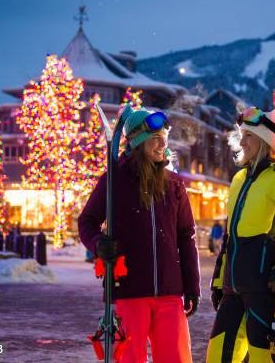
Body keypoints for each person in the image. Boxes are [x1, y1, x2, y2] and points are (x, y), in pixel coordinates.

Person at [78, 108, 200, 363]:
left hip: (170, 293)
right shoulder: (115, 180)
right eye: (155, 138)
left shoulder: (174, 183)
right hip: (130, 291)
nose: (162, 143)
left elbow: (186, 235)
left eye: (164, 137)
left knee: (175, 358)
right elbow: (87, 221)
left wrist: (192, 287)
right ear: (138, 141)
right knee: (130, 358)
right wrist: (98, 243)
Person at [206, 106, 275, 362]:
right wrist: (220, 280)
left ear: (265, 140)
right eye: (241, 135)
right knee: (218, 356)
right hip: (233, 290)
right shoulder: (239, 179)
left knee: (262, 358)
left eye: (249, 135)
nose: (242, 142)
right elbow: (230, 237)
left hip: (263, 290)